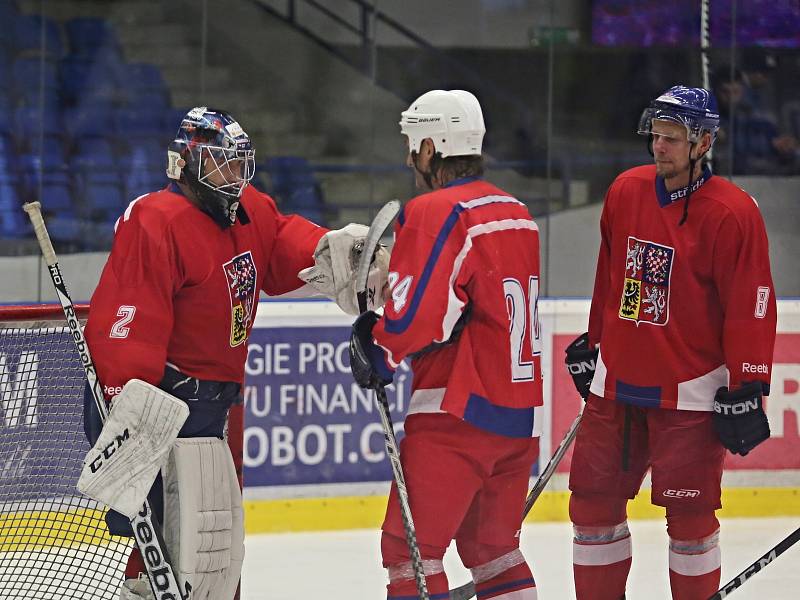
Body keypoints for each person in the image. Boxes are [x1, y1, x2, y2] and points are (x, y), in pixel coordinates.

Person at [80, 107, 385, 599]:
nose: (235, 178)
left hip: (220, 408)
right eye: (222, 165)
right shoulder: (156, 220)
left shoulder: (249, 209)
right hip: (167, 407)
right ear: (187, 163)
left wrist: (330, 251)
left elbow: (281, 242)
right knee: (168, 554)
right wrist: (124, 408)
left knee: (217, 556)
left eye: (241, 165)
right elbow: (128, 321)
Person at [564, 86, 777, 600]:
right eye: (656, 137)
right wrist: (594, 341)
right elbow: (610, 277)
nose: (659, 148)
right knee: (591, 508)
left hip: (693, 394)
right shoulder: (625, 191)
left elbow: (752, 301)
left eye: (672, 139)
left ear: (703, 142)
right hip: (615, 387)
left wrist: (748, 382)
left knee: (690, 518)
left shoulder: (732, 212)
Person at [347, 89, 543, 599]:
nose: (411, 159)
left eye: (415, 146)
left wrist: (378, 343)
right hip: (519, 418)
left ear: (433, 147)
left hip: (457, 413)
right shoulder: (516, 210)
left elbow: (422, 316)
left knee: (409, 553)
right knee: (493, 551)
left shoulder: (439, 209)